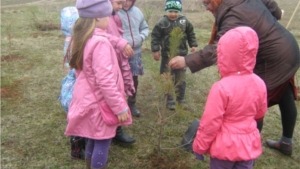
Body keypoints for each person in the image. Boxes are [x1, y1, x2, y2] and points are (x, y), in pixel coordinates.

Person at [169, 0, 300, 156]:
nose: (207, 8)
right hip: (287, 48)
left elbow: (220, 47)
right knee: (285, 96)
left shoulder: (233, 15)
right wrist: (276, 15)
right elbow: (270, 4)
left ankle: (246, 153)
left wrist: (186, 60)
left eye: (207, 3)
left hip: (272, 59)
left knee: (251, 107)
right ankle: (286, 143)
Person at [64, 0, 132, 168]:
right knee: (102, 141)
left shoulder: (82, 37)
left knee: (94, 137)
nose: (110, 19)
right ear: (97, 18)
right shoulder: (100, 43)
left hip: (86, 98)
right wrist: (119, 107)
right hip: (100, 104)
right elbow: (106, 81)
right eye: (108, 15)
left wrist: (118, 42)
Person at [193, 26, 268, 169]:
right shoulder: (259, 82)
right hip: (247, 145)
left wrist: (199, 146)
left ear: (224, 54)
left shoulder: (221, 87)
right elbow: (260, 113)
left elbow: (210, 123)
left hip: (224, 148)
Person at [151, 0, 198, 110]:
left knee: (180, 77)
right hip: (167, 55)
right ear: (166, 10)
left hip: (182, 55)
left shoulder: (184, 21)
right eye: (170, 11)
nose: (173, 14)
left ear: (179, 11)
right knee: (167, 76)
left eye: (176, 11)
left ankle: (180, 98)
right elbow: (155, 37)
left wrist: (193, 44)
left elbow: (191, 33)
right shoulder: (162, 22)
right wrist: (155, 50)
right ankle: (169, 99)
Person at [107, 0, 136, 146]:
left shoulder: (112, 16)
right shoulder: (99, 17)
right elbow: (98, 34)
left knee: (118, 91)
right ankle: (109, 131)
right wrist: (119, 43)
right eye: (118, 2)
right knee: (109, 93)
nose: (120, 7)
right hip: (106, 62)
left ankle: (116, 131)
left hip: (115, 60)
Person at [60, 6, 87, 160]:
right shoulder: (77, 43)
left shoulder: (68, 40)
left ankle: (79, 144)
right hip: (78, 85)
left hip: (71, 84)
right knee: (78, 117)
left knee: (75, 116)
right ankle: (76, 149)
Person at [117, 0, 149, 117]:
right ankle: (120, 103)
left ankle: (132, 103)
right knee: (119, 78)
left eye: (129, 0)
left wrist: (141, 37)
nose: (126, 3)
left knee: (134, 78)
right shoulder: (114, 13)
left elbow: (144, 28)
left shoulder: (137, 12)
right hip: (120, 53)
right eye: (123, 0)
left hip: (135, 52)